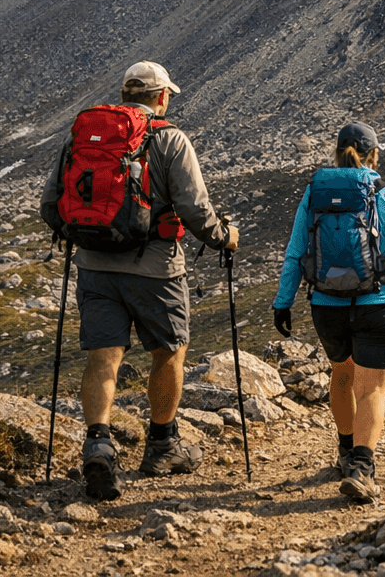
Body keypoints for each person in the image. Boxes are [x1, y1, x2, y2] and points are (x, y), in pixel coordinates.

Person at [40, 61, 239, 502]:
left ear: (126, 93)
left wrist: (84, 238)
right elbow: (194, 209)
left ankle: (98, 444)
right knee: (169, 353)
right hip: (156, 270)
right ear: (161, 96)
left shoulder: (81, 135)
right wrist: (225, 237)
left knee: (102, 359)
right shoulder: (170, 140)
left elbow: (50, 204)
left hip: (94, 268)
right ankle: (163, 446)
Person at [273, 122, 385, 502]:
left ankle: (345, 452)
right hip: (378, 304)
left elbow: (296, 252)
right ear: (373, 155)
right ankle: (362, 467)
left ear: (338, 152)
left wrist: (283, 302)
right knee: (373, 386)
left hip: (326, 306)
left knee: (341, 375)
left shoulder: (313, 194)